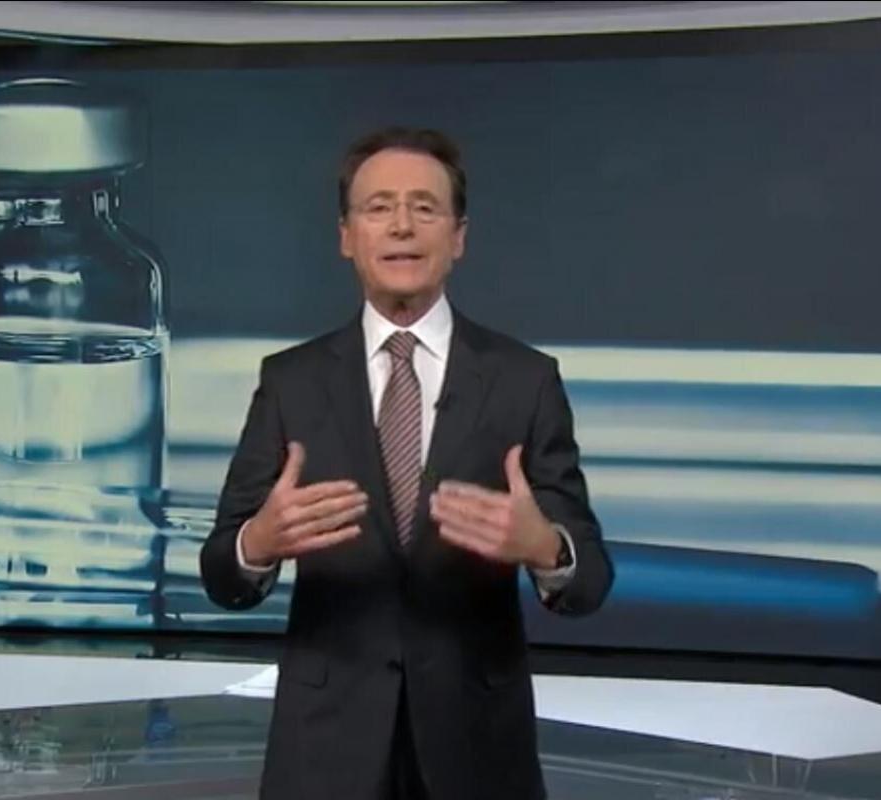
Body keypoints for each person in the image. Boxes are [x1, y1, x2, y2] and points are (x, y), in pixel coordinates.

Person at [199, 126, 613, 800]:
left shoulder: (525, 380)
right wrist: (258, 543)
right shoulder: (291, 381)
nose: (401, 226)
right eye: (378, 207)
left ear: (458, 237)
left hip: (477, 748)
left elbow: (590, 580)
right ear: (346, 236)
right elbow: (221, 573)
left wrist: (545, 549)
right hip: (325, 748)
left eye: (424, 207)